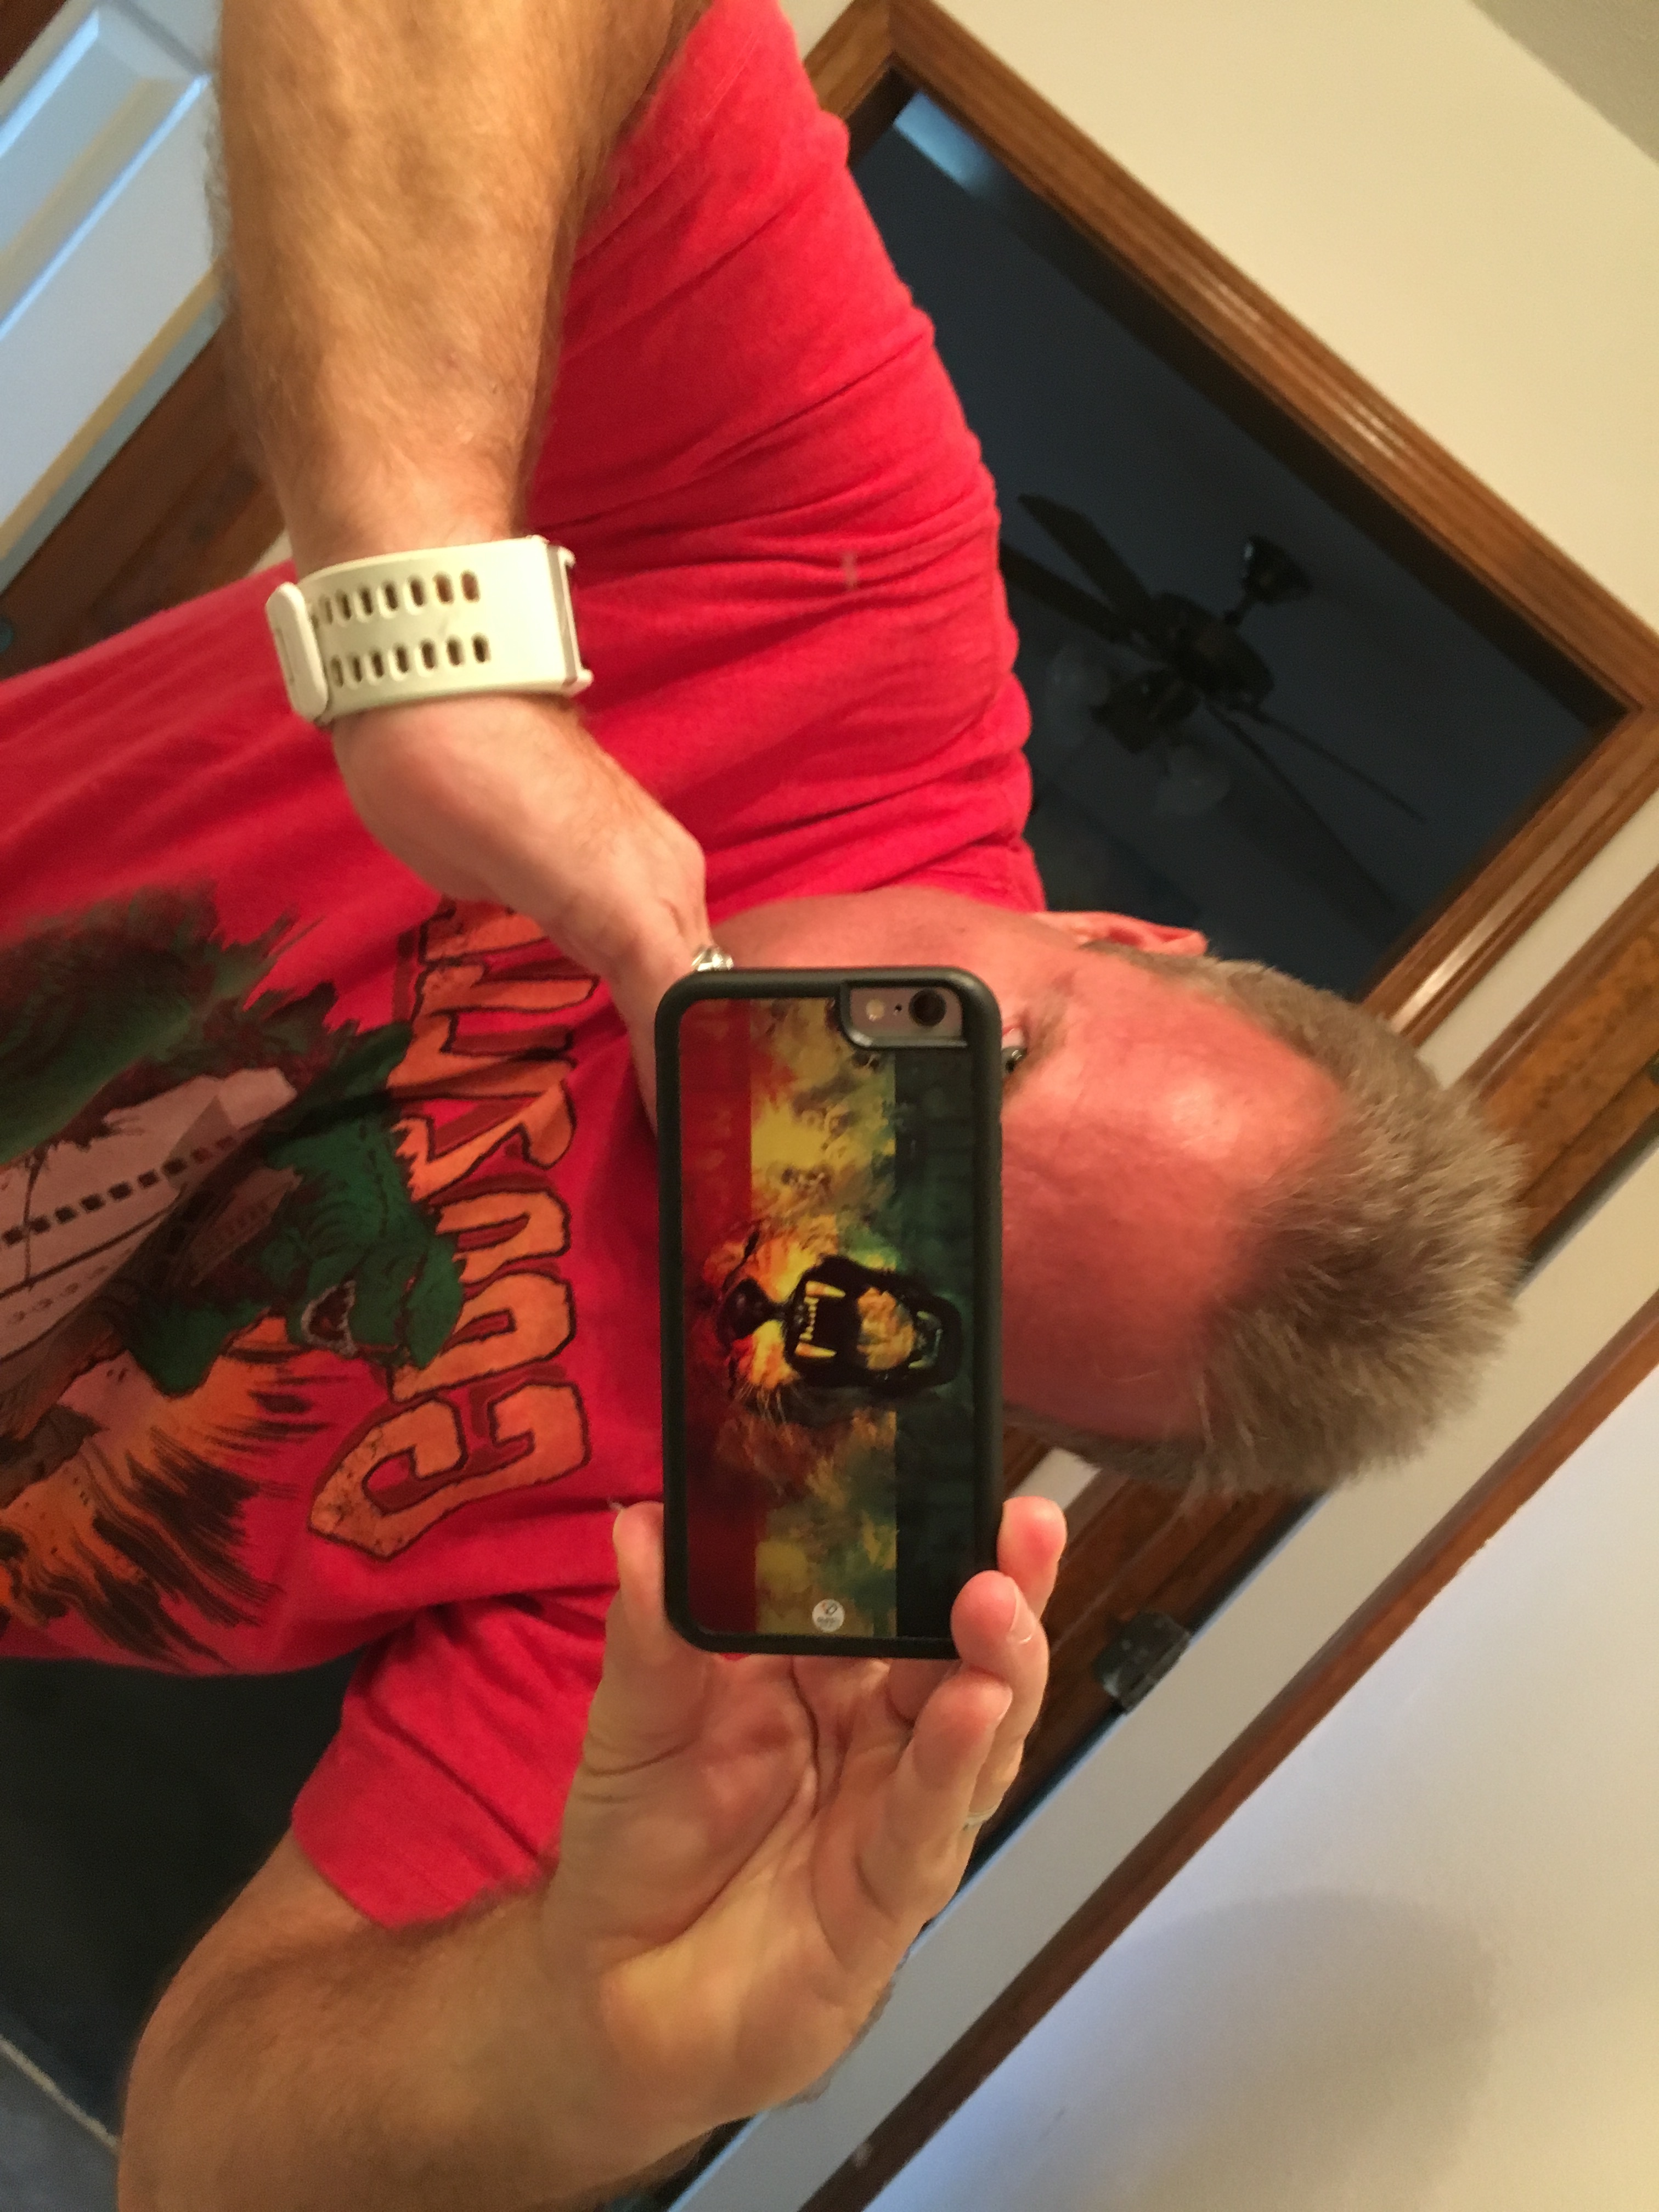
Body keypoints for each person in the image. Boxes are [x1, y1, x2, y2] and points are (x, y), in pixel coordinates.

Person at [0, 0, 1516, 2204]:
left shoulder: (759, 1571)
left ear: (975, 1413)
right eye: (967, 1063)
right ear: (1123, 937)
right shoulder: (855, 617)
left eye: (912, 1265)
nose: (798, 1159)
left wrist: (564, 2050)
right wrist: (427, 630)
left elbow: (203, 2160)